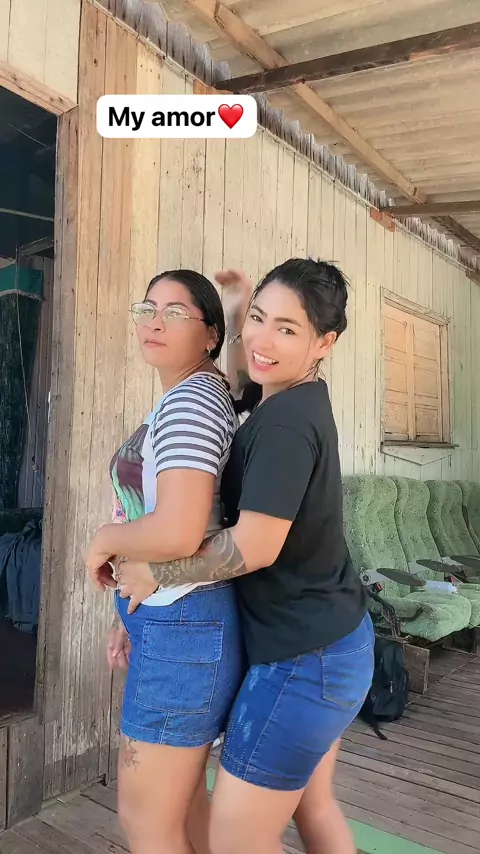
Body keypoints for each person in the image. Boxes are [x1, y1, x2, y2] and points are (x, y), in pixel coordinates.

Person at [118, 258, 375, 854]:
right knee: (315, 808)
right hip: (334, 638)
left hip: (303, 659)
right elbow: (243, 382)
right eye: (259, 319)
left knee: (237, 838)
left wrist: (157, 570)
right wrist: (237, 310)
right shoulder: (292, 397)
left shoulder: (285, 426)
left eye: (287, 329)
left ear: (324, 343)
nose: (261, 340)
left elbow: (255, 546)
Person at [84, 270, 245, 854]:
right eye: (148, 308)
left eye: (176, 313)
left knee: (146, 821)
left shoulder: (191, 402)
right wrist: (129, 616)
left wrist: (104, 540)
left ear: (209, 336)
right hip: (173, 618)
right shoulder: (202, 391)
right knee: (183, 807)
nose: (154, 321)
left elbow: (178, 530)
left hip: (184, 624)